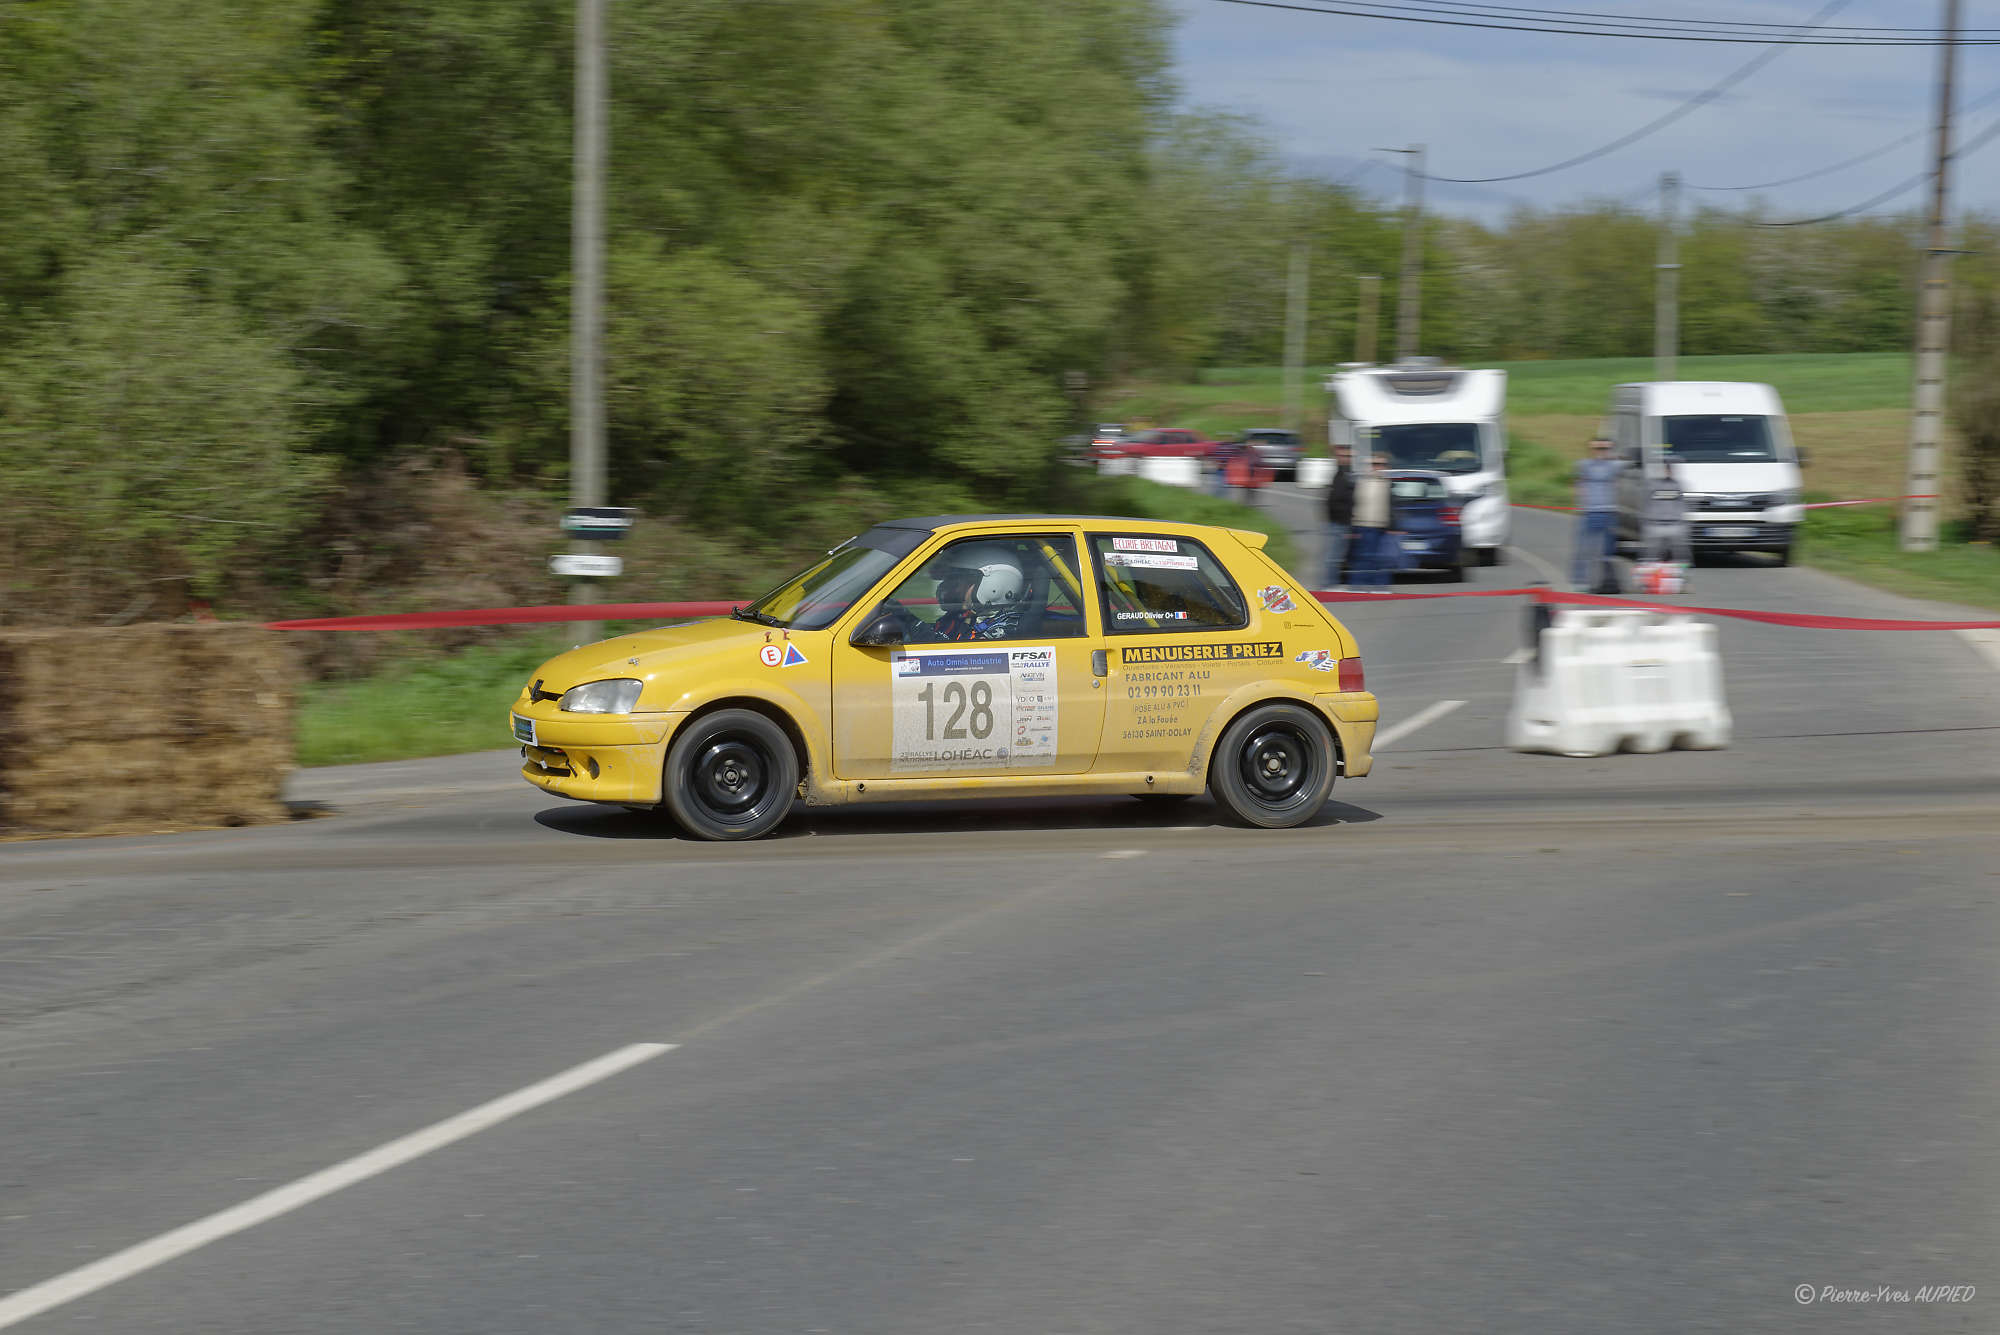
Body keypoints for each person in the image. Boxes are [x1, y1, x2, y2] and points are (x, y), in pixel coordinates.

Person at [930, 545, 1027, 641]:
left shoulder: (1007, 630)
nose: (953, 589)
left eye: (958, 580)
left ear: (994, 585)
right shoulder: (960, 617)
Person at [1570, 436, 1626, 592]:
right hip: (1590, 512)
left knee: (1607, 552)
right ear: (1591, 449)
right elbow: (1579, 486)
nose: (1601, 452)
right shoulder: (1583, 465)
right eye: (1598, 448)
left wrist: (1615, 455)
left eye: (1605, 449)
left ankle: (1607, 582)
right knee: (1584, 549)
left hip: (1609, 512)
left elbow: (1630, 462)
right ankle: (1580, 582)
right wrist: (1580, 505)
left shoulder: (1615, 465)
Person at [1349, 454, 1393, 589]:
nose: (1377, 467)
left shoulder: (1387, 483)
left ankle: (1381, 586)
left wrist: (1393, 526)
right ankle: (1357, 585)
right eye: (1375, 464)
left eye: (1380, 464)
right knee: (1363, 557)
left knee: (1382, 558)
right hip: (1364, 525)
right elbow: (1354, 503)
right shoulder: (1362, 483)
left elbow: (1392, 505)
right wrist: (1353, 526)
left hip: (1381, 526)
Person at [1322, 444, 1356, 589]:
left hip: (1339, 522)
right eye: (1344, 456)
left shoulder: (1344, 473)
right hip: (1339, 523)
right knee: (1334, 556)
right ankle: (1330, 583)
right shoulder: (1340, 476)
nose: (1347, 459)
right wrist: (1344, 522)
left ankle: (1332, 582)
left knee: (1336, 555)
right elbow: (1334, 501)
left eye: (1349, 456)